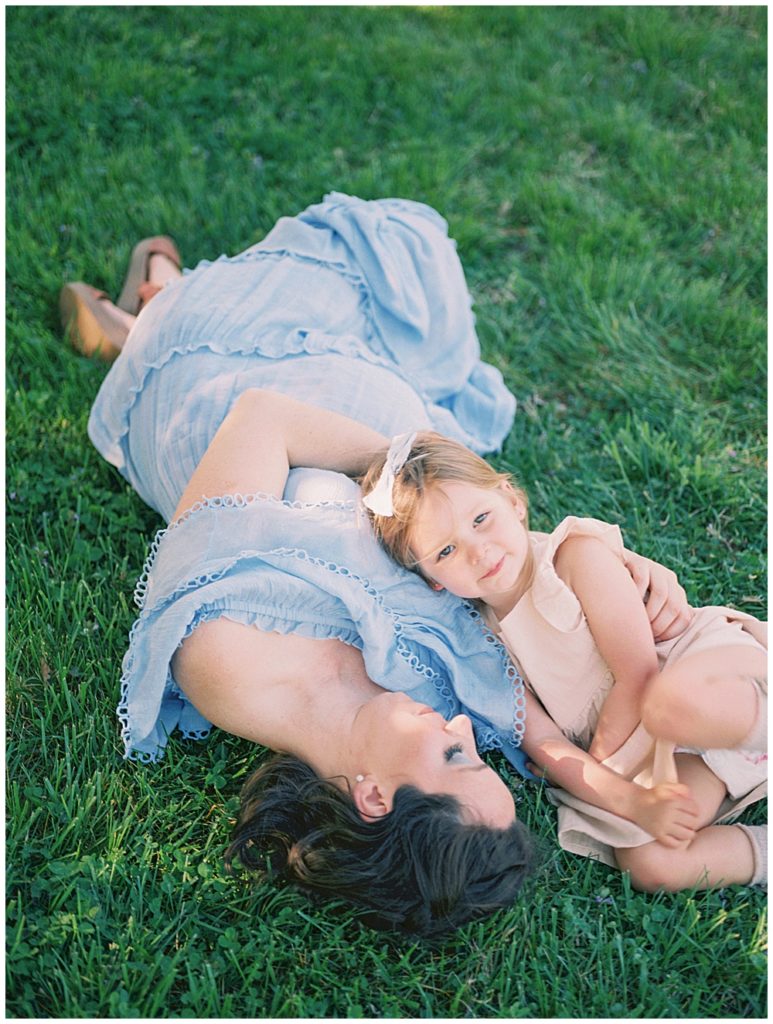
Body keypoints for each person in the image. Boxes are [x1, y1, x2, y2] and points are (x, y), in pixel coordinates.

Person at [62, 194, 694, 935]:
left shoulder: (226, 657)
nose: (464, 724)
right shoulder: (424, 705)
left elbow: (260, 416)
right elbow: (544, 726)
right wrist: (621, 564)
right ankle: (149, 305)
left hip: (226, 387)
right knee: (411, 274)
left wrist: (404, 476)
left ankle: (157, 312)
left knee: (369, 252)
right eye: (475, 751)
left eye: (456, 754)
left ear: (372, 799)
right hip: (366, 409)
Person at [355, 429, 767, 892]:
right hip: (651, 747)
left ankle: (759, 722)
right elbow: (546, 744)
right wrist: (629, 800)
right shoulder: (478, 645)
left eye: (481, 519)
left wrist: (603, 767)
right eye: (446, 551)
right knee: (649, 861)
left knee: (672, 704)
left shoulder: (574, 557)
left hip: (690, 679)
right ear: (431, 579)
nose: (479, 551)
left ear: (513, 501)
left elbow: (638, 673)